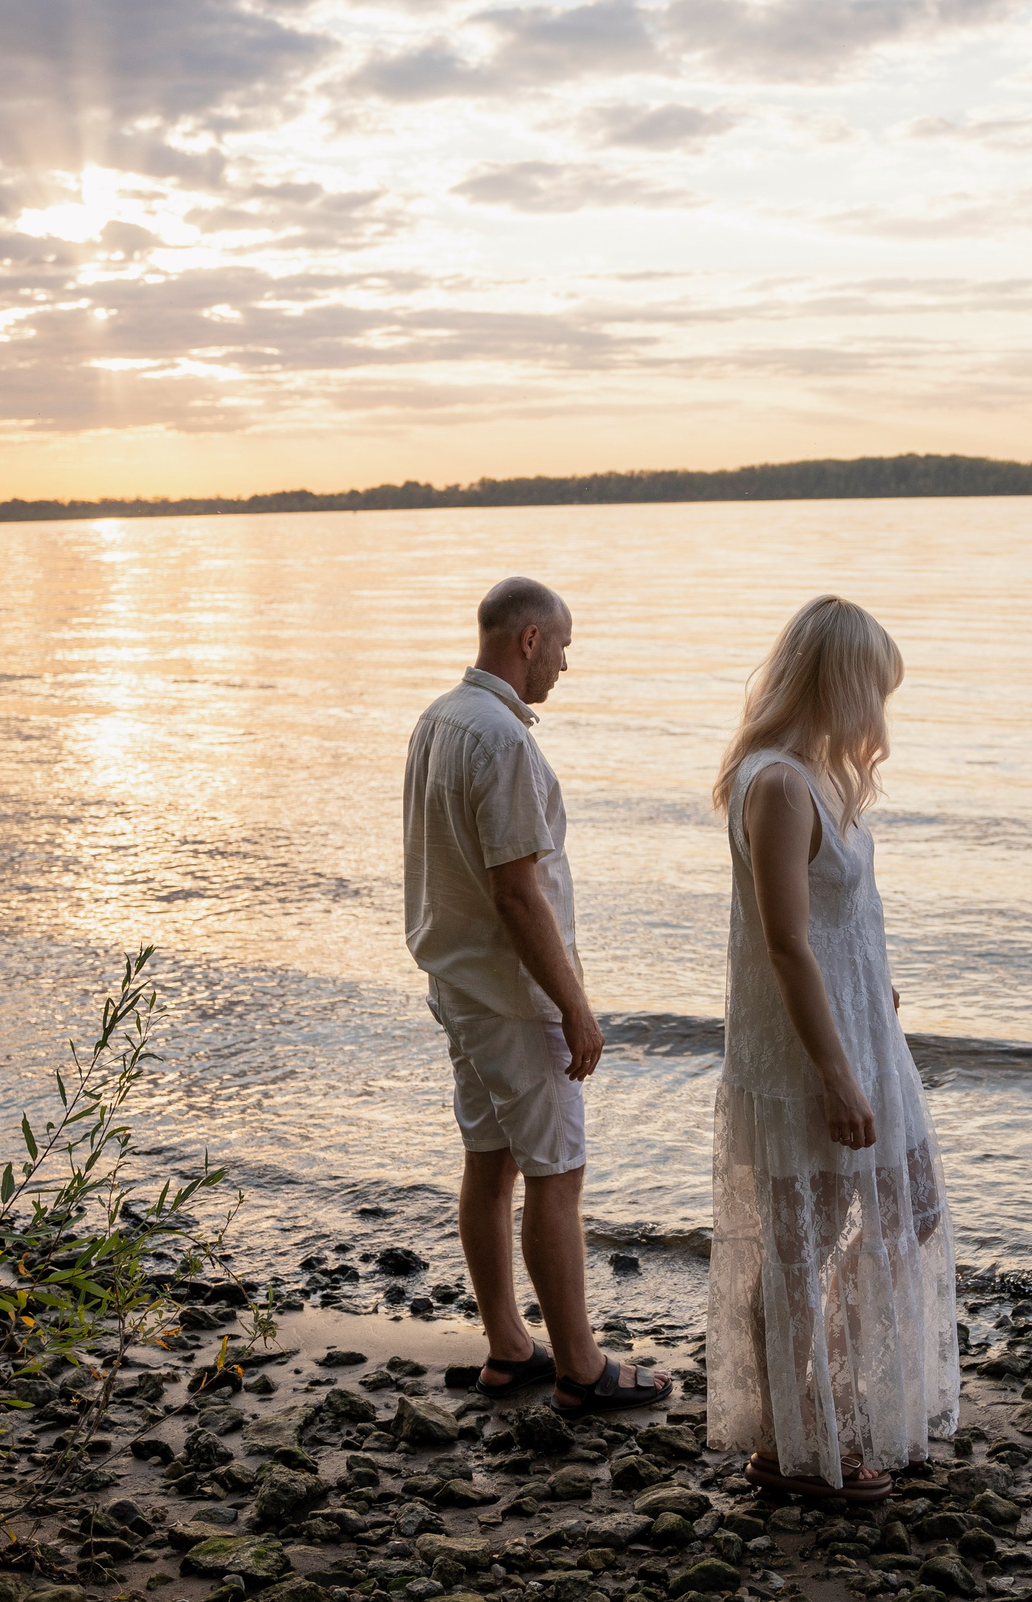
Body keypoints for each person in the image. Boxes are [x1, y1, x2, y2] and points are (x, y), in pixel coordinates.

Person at [707, 596, 958, 1501]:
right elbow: (784, 943)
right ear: (841, 682)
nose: (881, 714)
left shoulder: (814, 775)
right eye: (875, 690)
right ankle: (794, 1437)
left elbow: (836, 923)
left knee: (910, 1204)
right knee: (795, 1246)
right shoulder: (776, 783)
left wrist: (874, 986)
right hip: (810, 1057)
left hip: (860, 1031)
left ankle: (826, 1392)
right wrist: (838, 1074)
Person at [403, 576, 669, 1416]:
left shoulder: (437, 720)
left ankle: (509, 1346)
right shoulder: (502, 741)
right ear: (527, 639)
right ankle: (581, 1367)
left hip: (459, 981)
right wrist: (575, 1005)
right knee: (558, 1170)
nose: (564, 661)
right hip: (513, 996)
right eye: (561, 644)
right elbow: (518, 891)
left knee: (491, 1159)